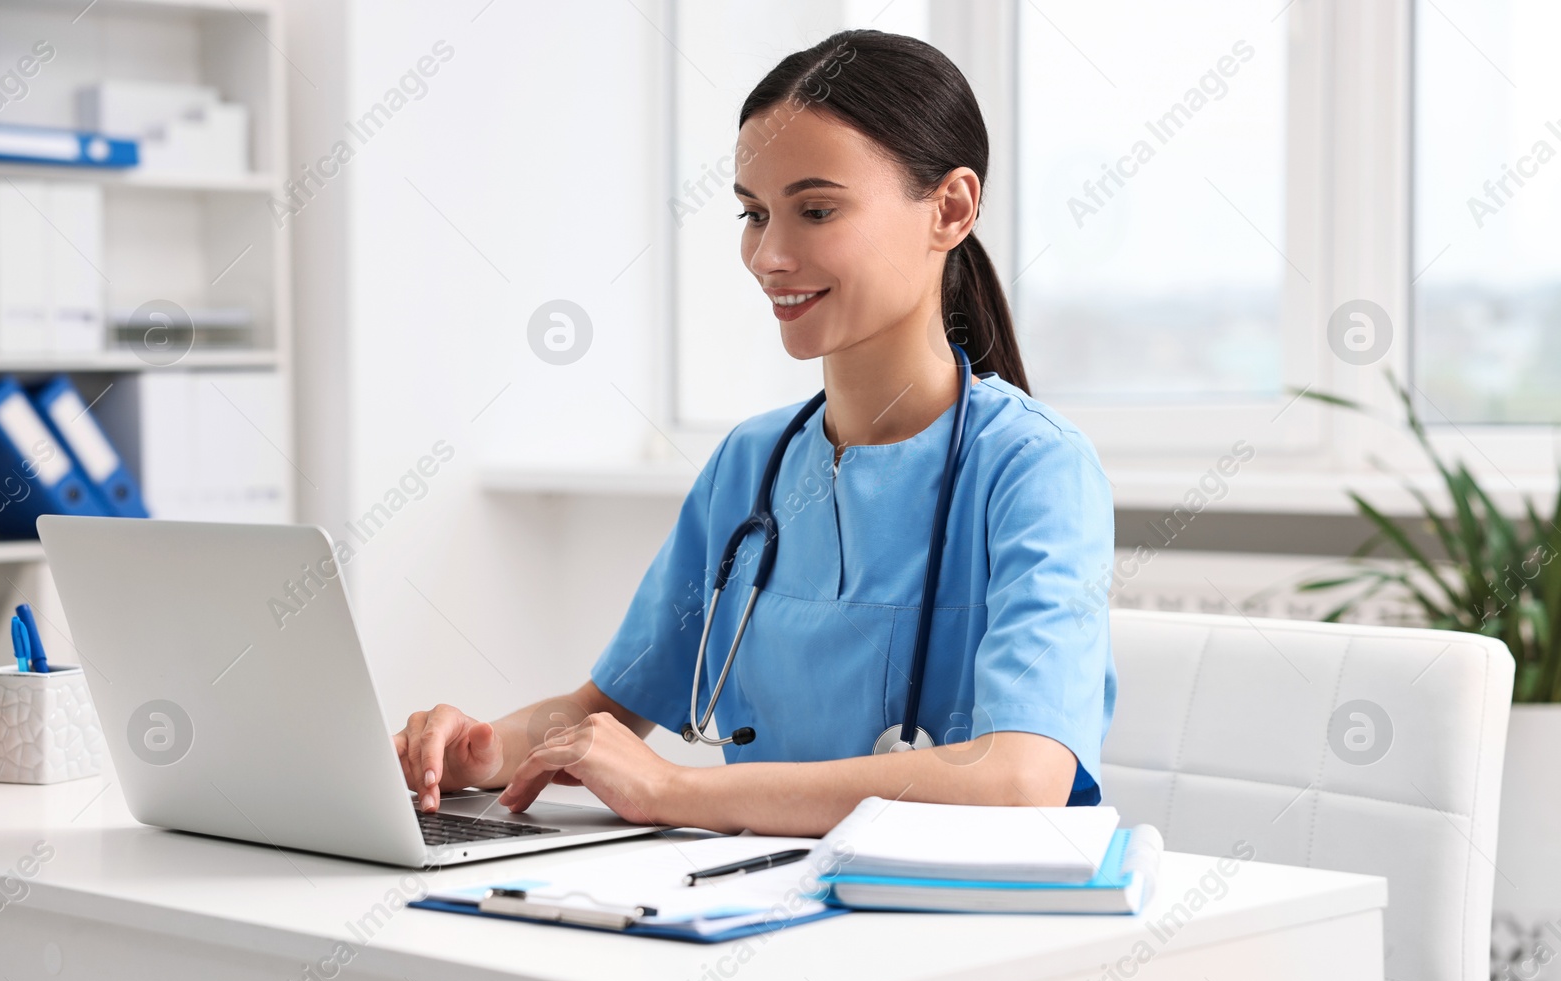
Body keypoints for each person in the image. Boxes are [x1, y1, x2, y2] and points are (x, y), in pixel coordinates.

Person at [394, 28, 1115, 837]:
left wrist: (674, 793)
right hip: (751, 903)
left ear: (949, 209)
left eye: (815, 210)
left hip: (953, 925)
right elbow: (604, 714)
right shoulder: (751, 466)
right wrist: (474, 755)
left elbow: (1022, 777)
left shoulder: (1033, 469)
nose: (769, 255)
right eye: (753, 214)